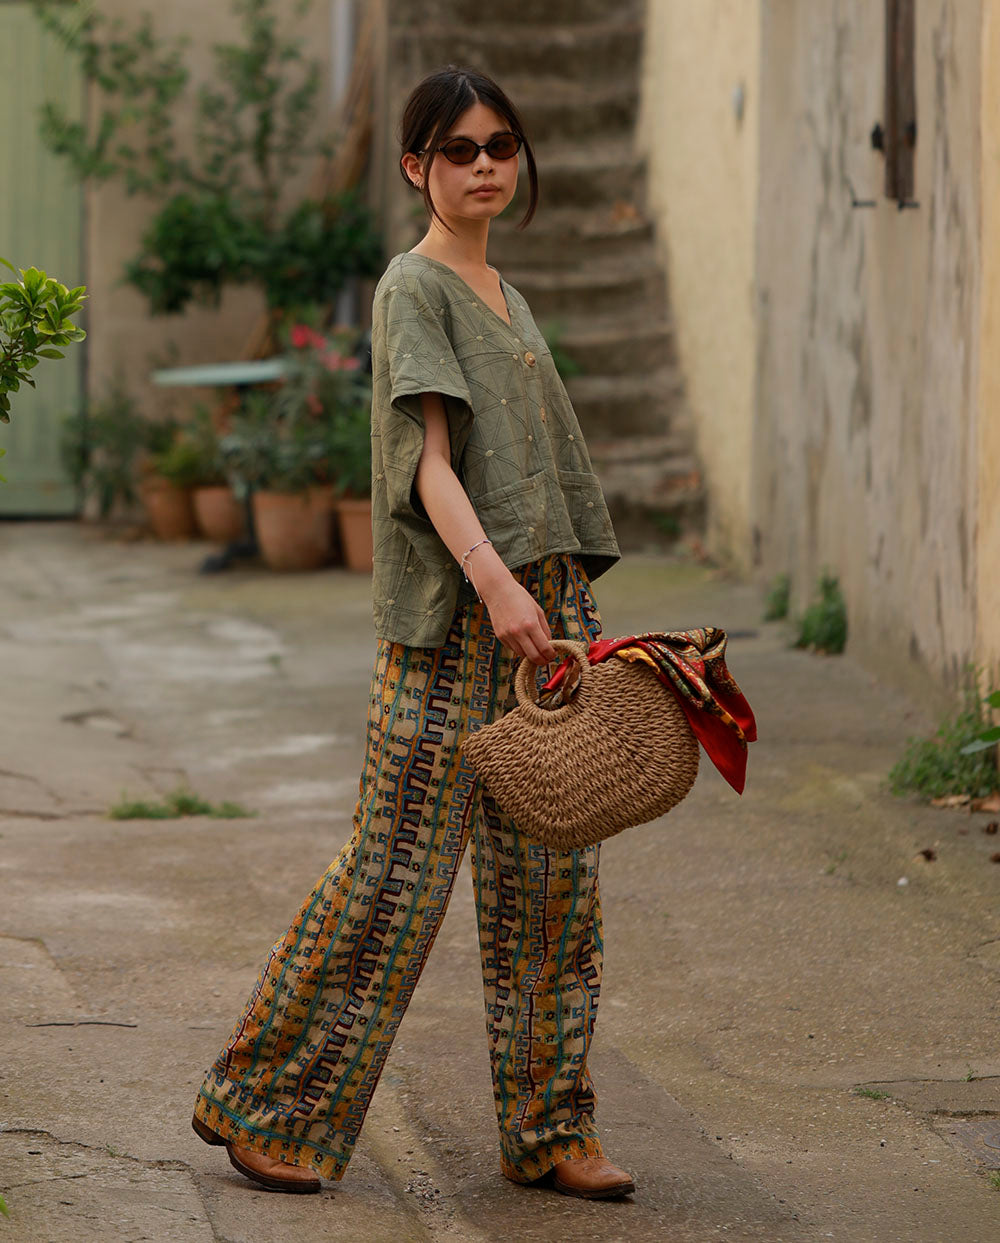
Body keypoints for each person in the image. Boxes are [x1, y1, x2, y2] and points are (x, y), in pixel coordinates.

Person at [191, 64, 631, 1201]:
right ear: (415, 166)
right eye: (458, 150)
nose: (484, 165)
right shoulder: (412, 286)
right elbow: (428, 463)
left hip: (544, 621)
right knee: (392, 878)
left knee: (553, 881)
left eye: (501, 145)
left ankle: (551, 1130)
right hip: (454, 627)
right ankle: (269, 1107)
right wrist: (497, 587)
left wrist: (558, 604)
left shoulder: (505, 293)